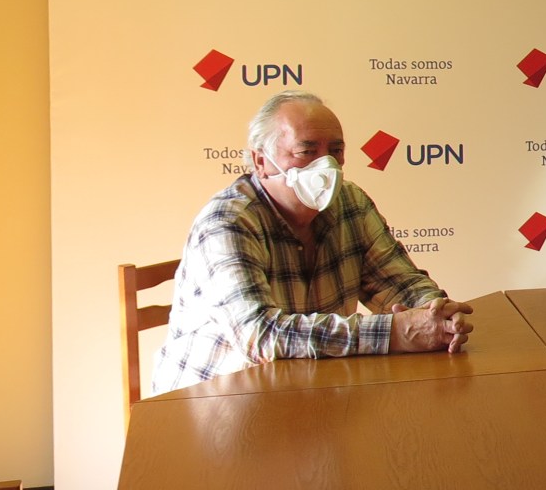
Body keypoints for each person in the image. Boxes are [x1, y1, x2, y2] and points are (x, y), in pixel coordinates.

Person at [151, 90, 473, 395]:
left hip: (309, 390)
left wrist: (436, 314)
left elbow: (399, 282)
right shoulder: (227, 222)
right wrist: (395, 333)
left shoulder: (351, 202)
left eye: (335, 151)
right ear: (261, 162)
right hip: (209, 402)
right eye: (307, 151)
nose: (326, 165)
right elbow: (261, 335)